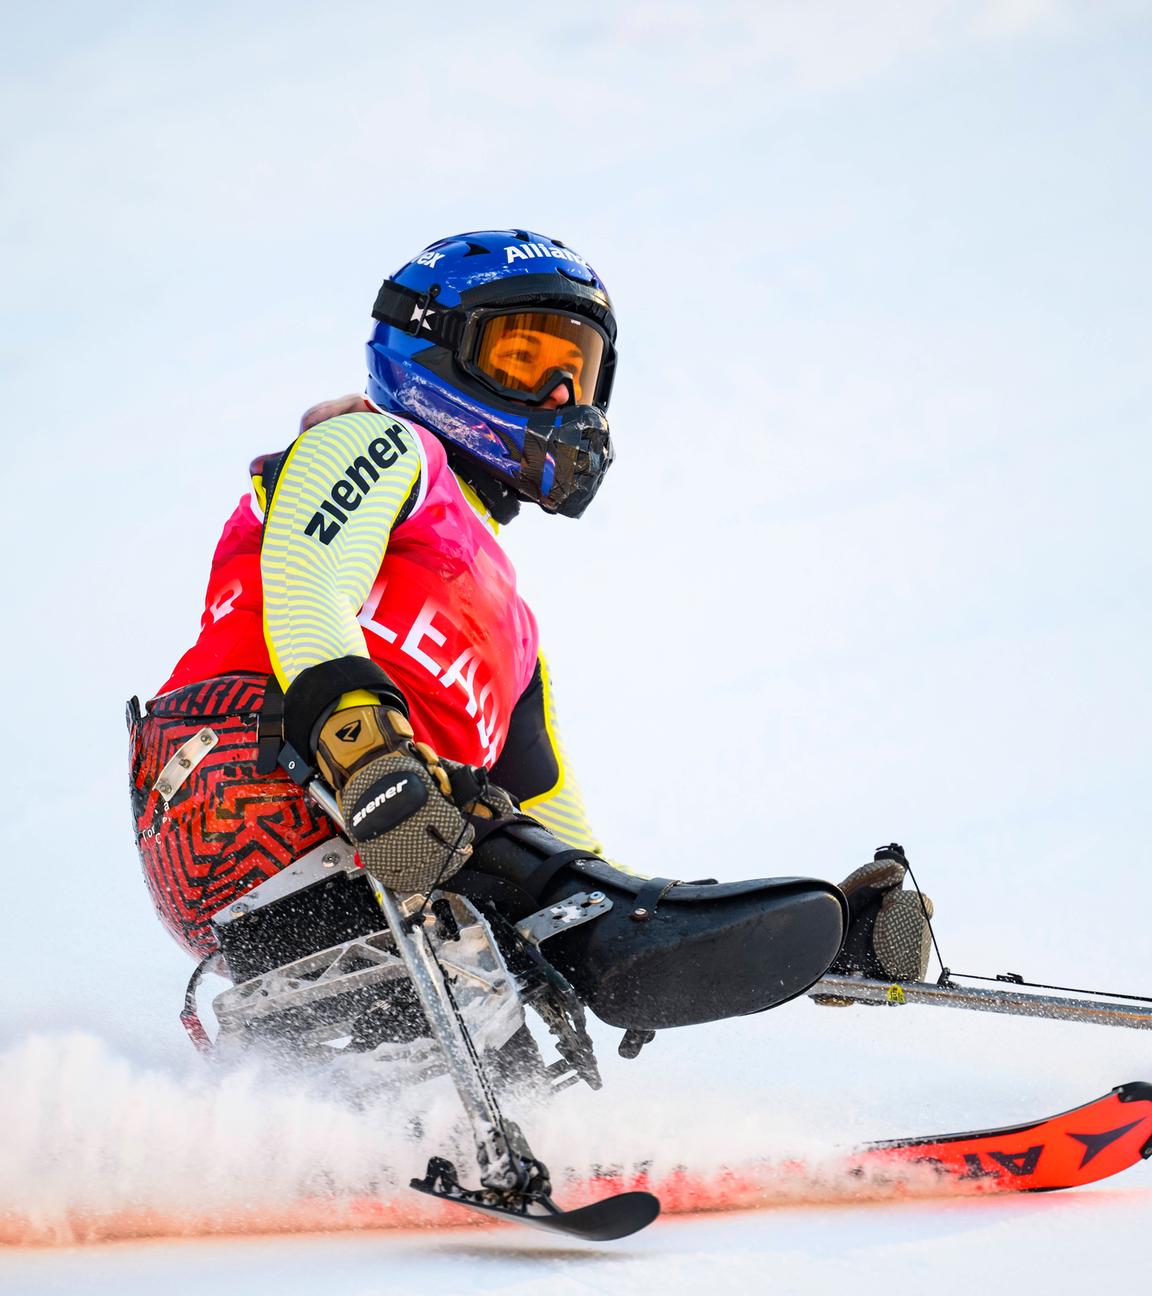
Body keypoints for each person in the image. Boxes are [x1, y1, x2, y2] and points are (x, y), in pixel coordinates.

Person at [127, 228, 931, 1031]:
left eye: (577, 374)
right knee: (510, 877)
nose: (558, 396)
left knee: (549, 940)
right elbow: (309, 578)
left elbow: (572, 862)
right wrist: (369, 757)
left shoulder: (513, 637)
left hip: (383, 860)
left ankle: (436, 1131)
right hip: (241, 782)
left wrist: (769, 954)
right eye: (522, 359)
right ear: (433, 350)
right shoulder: (377, 445)